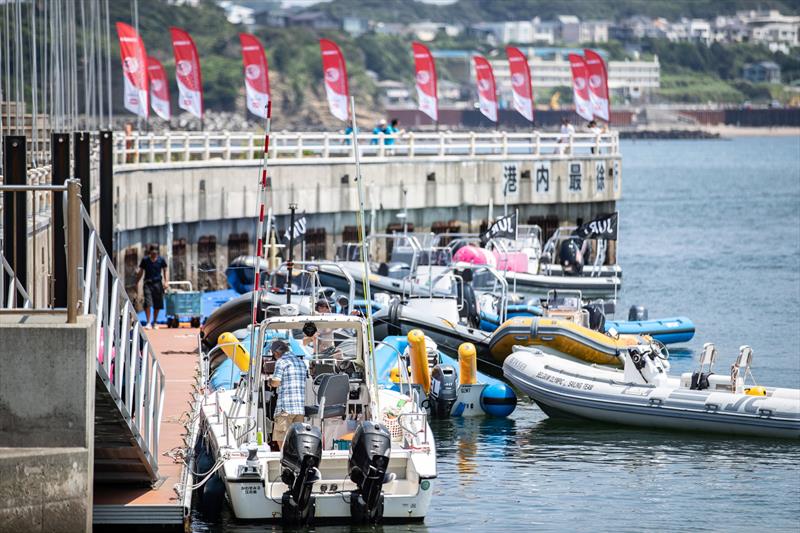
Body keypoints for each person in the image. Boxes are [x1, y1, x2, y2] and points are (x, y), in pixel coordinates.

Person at [270, 339, 307, 449]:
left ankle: (284, 462)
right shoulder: (301, 363)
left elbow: (276, 382)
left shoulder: (281, 362)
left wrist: (269, 381)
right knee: (296, 439)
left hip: (285, 408)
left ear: (276, 353)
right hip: (299, 409)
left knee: (281, 439)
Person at [136, 245, 168, 329]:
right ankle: (148, 322)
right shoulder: (145, 260)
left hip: (158, 284)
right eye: (153, 252)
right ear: (150, 252)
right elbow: (141, 272)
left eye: (155, 252)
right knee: (147, 303)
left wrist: (166, 281)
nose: (154, 254)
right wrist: (137, 281)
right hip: (148, 283)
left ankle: (155, 322)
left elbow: (165, 270)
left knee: (157, 304)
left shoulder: (161, 260)